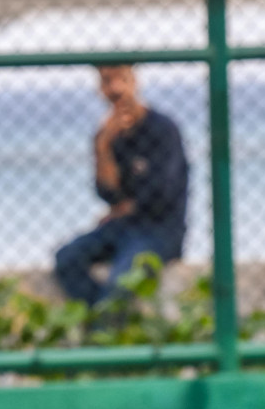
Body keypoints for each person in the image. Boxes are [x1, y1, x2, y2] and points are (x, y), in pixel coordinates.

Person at [54, 64, 187, 304]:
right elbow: (108, 193)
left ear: (135, 82)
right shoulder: (108, 135)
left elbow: (163, 193)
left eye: (122, 79)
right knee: (66, 259)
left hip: (159, 231)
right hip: (123, 226)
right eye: (107, 81)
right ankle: (102, 322)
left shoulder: (162, 129)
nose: (115, 88)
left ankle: (101, 331)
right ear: (100, 89)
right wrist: (103, 147)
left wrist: (127, 207)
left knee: (120, 283)